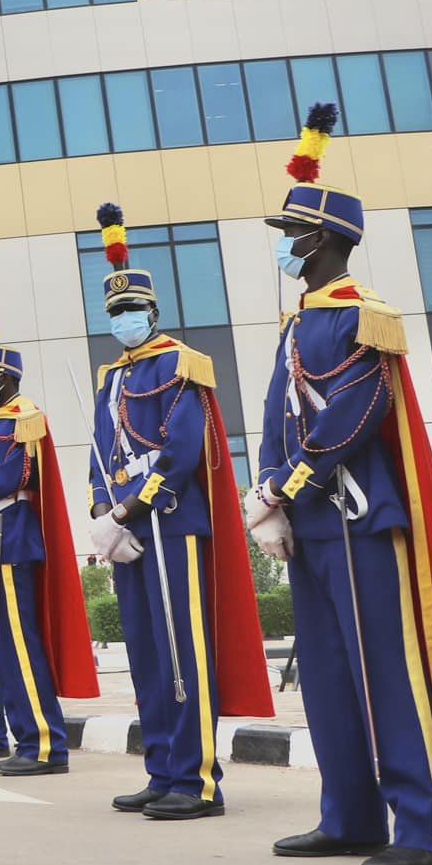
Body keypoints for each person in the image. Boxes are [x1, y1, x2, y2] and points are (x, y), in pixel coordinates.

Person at [244, 105, 432, 865]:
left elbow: (356, 413)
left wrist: (290, 485)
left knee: (386, 676)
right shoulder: (296, 328)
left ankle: (422, 825)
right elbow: (273, 417)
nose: (287, 249)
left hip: (358, 518)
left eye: (292, 237)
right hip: (312, 525)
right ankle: (349, 816)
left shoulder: (367, 319)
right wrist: (268, 492)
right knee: (325, 679)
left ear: (322, 241)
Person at [86, 203, 275, 821]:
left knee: (182, 654)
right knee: (145, 654)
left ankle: (197, 781)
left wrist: (129, 511)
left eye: (130, 311)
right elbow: (99, 454)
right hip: (128, 531)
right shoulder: (111, 377)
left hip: (171, 522)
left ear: (153, 311)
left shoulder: (182, 363)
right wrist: (102, 514)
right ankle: (162, 768)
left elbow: (184, 448)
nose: (123, 321)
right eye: (114, 313)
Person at [0, 284, 98, 777]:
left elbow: (10, 478)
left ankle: (44, 745)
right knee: (6, 653)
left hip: (10, 539)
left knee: (20, 646)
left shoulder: (24, 418)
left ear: (6, 379)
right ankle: (26, 739)